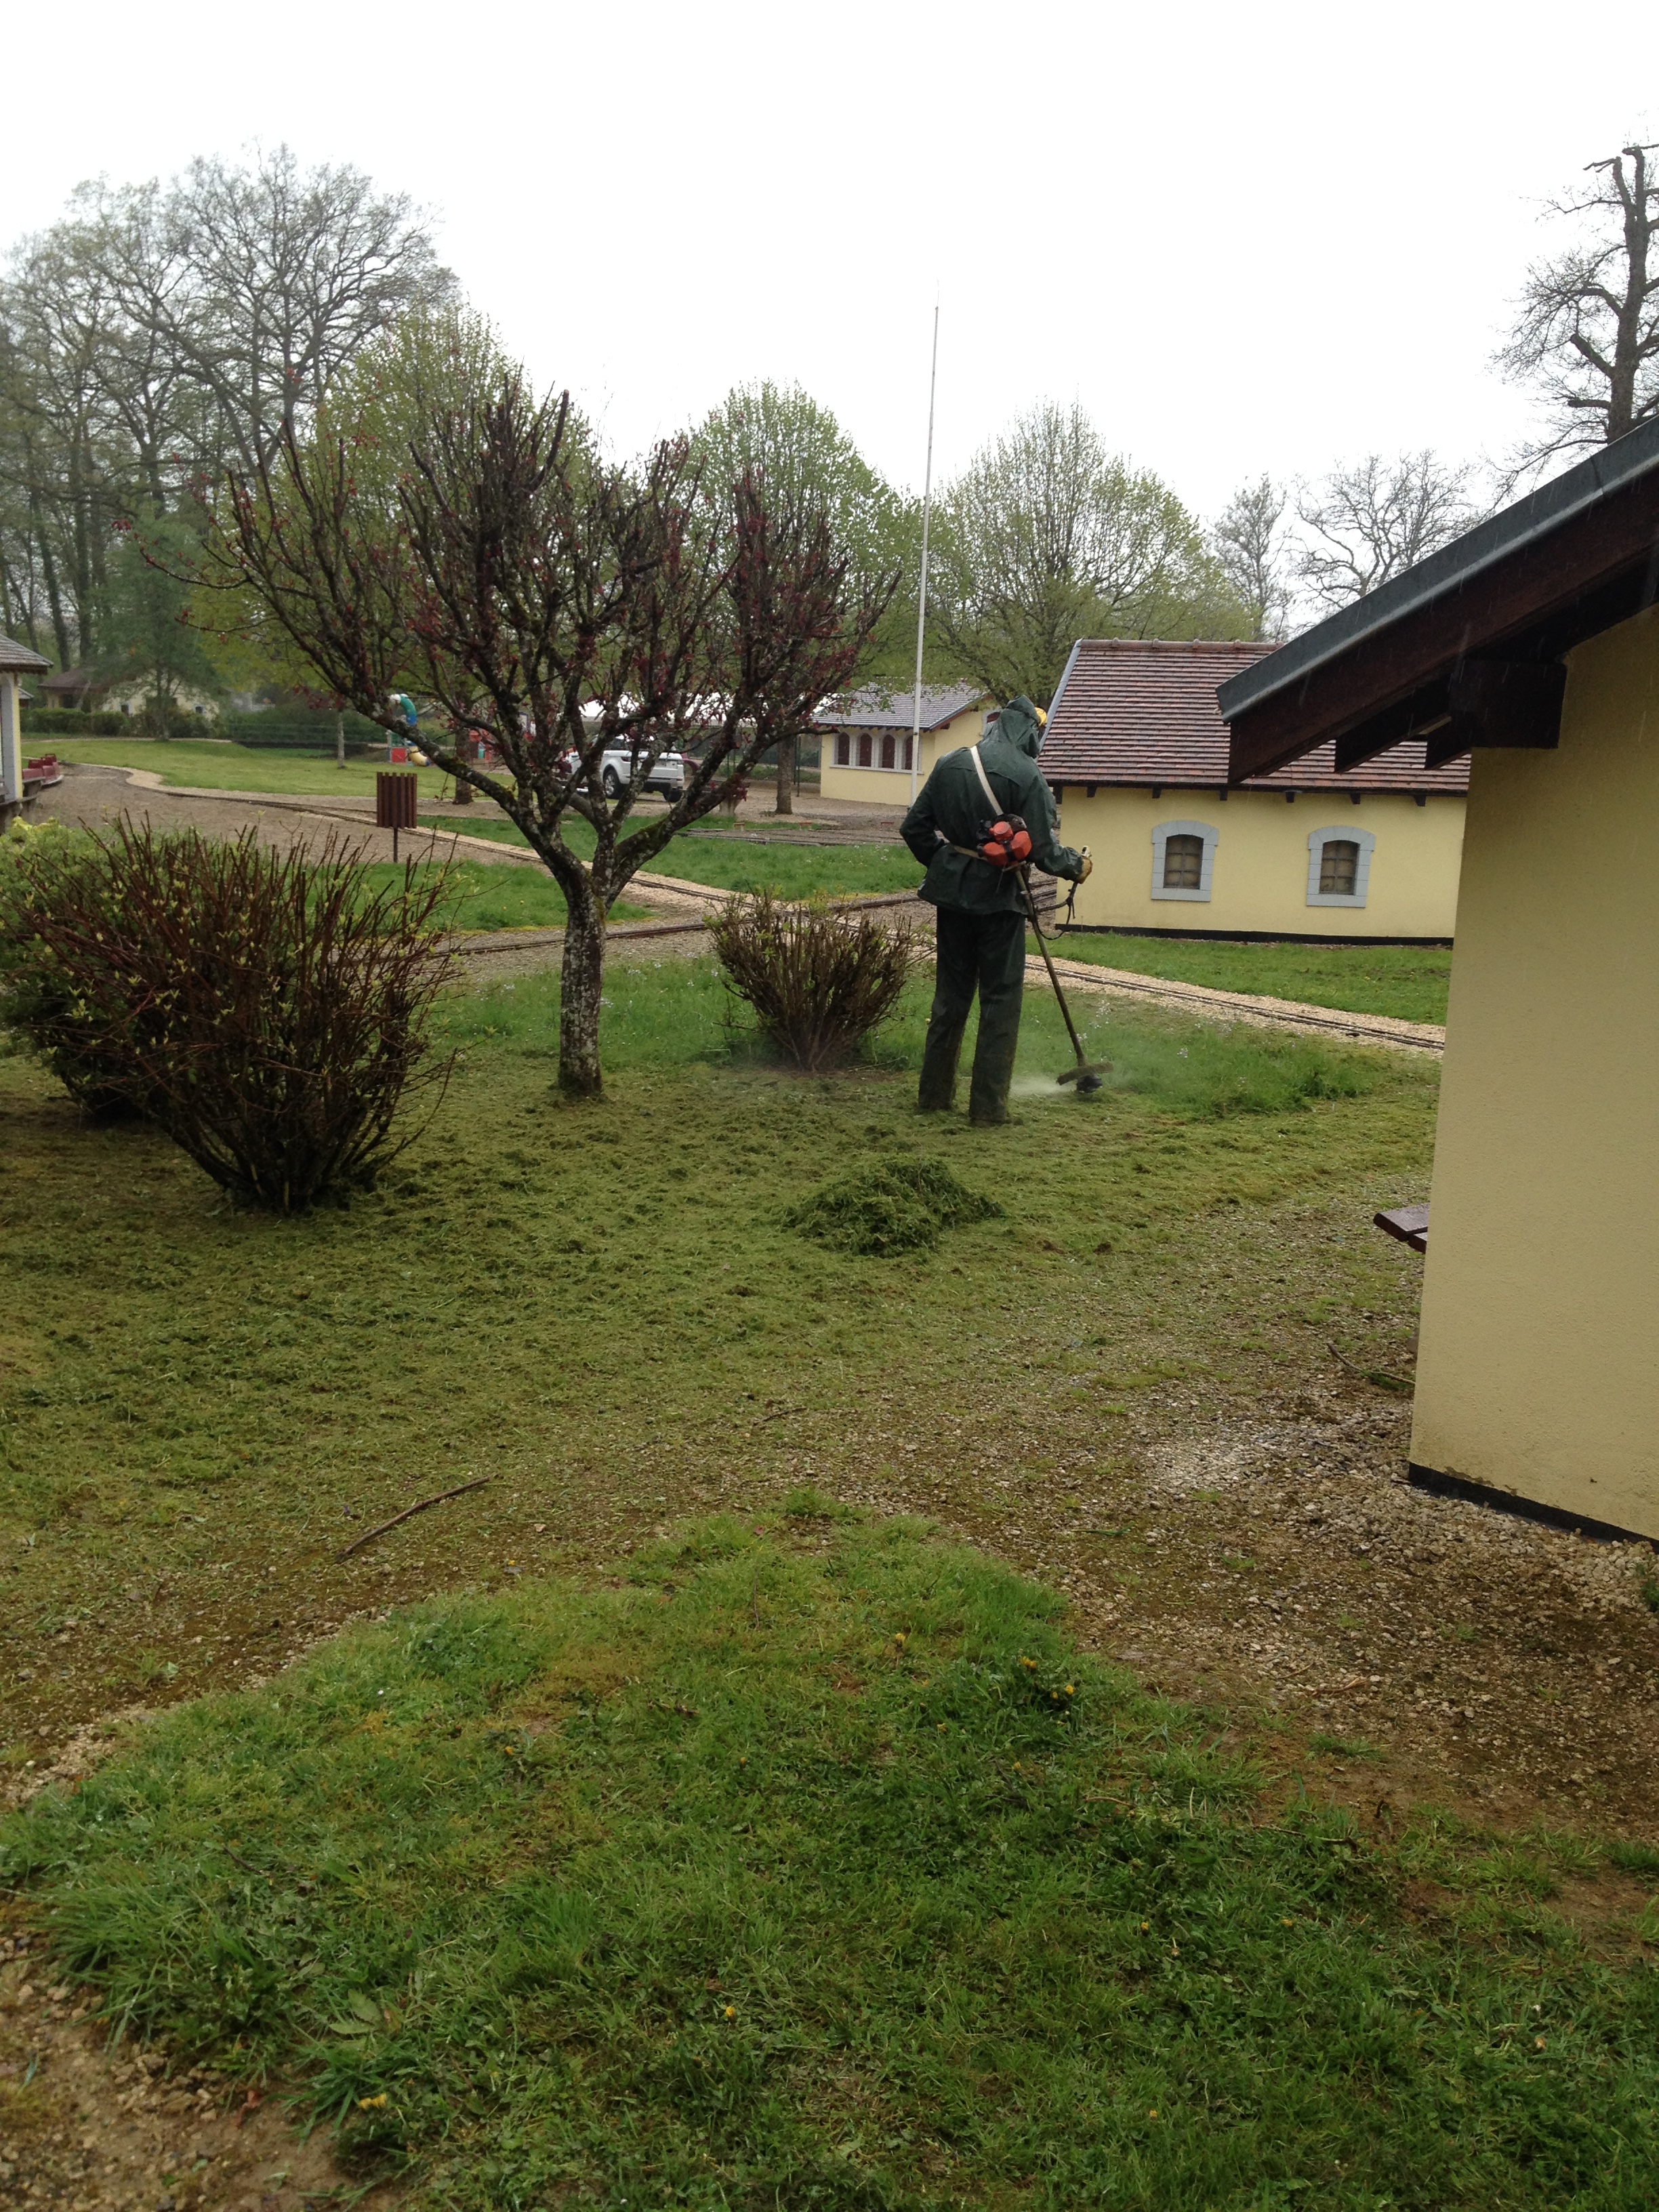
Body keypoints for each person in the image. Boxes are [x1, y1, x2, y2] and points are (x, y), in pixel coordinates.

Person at [900, 695, 1091, 1126]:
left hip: (953, 900)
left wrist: (949, 865)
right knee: (1000, 1002)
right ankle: (988, 1109)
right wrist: (1078, 866)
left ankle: (933, 1097)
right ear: (1027, 730)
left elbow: (914, 828)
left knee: (950, 999)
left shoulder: (950, 763)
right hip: (1002, 902)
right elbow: (1043, 851)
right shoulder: (1027, 775)